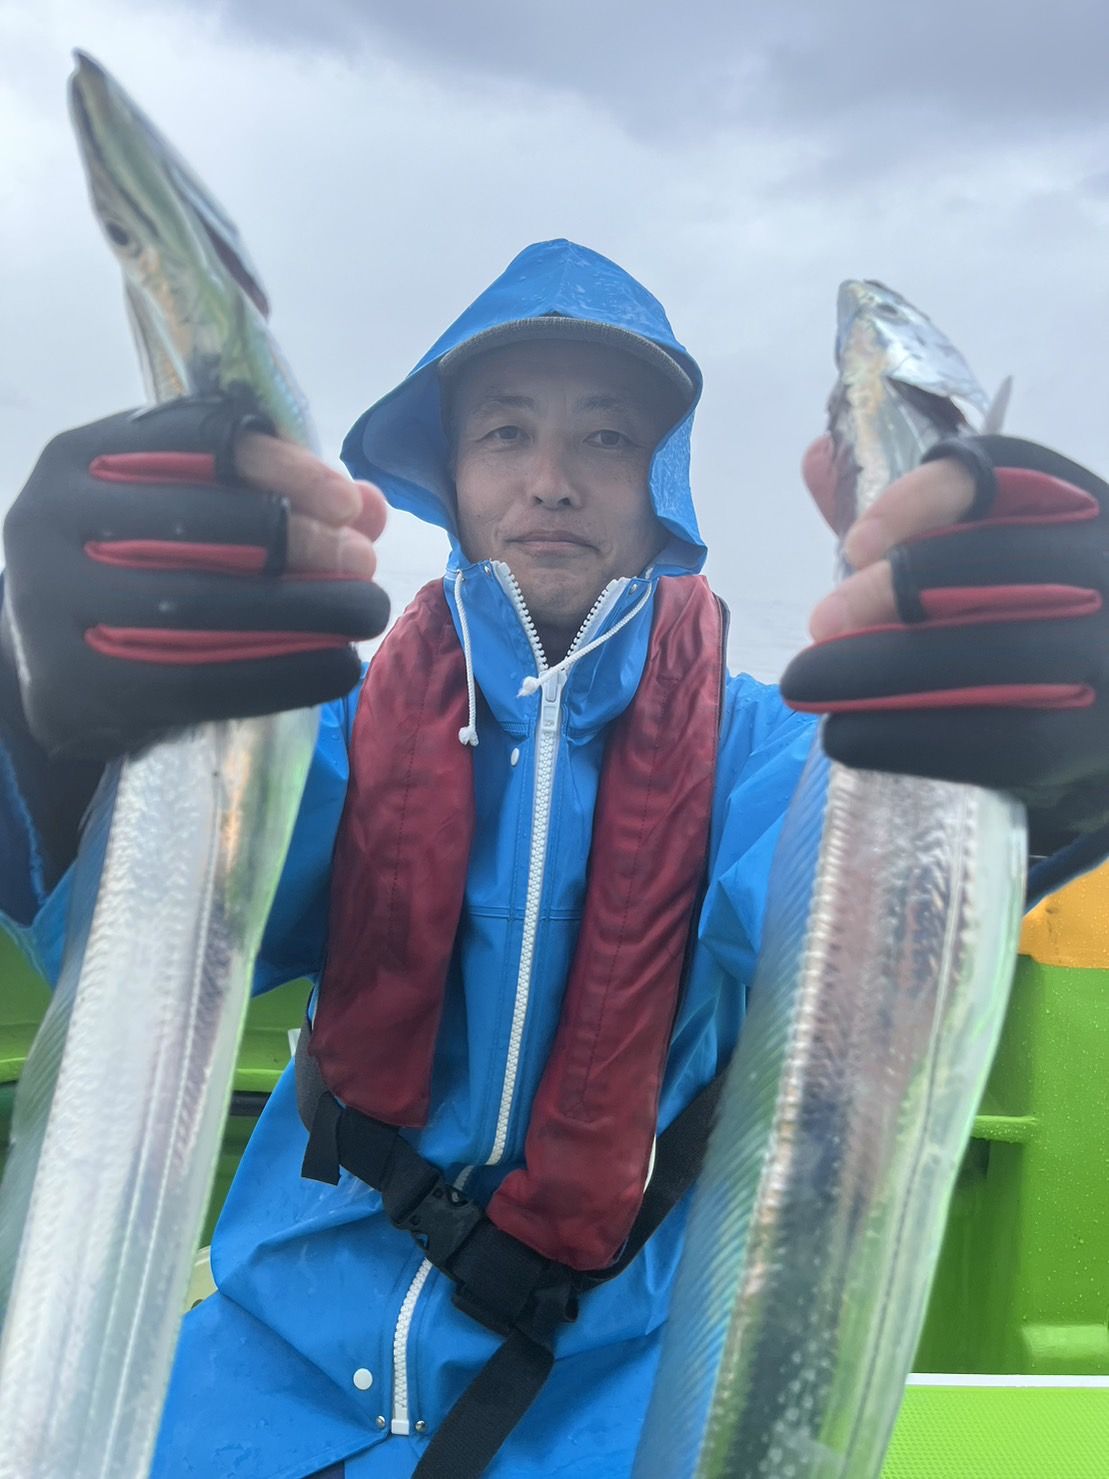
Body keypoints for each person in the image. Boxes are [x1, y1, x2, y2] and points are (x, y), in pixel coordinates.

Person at [2, 239, 1108, 1478]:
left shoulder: (769, 750)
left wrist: (1052, 761)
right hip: (263, 1385)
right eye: (505, 433)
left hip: (606, 1406)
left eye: (604, 438)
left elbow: (885, 921)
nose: (550, 481)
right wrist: (41, 711)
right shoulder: (327, 729)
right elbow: (116, 916)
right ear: (448, 473)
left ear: (661, 481)